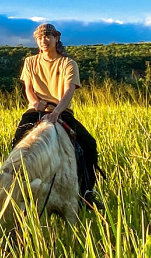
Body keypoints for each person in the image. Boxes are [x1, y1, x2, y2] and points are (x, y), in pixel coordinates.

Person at [13, 23, 104, 209]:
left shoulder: (68, 63)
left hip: (61, 111)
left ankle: (87, 193)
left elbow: (68, 91)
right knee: (16, 144)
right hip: (35, 111)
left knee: (88, 144)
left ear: (56, 38)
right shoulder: (30, 61)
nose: (43, 41)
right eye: (39, 38)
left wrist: (56, 113)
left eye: (47, 37)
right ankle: (12, 188)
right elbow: (28, 89)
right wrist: (35, 102)